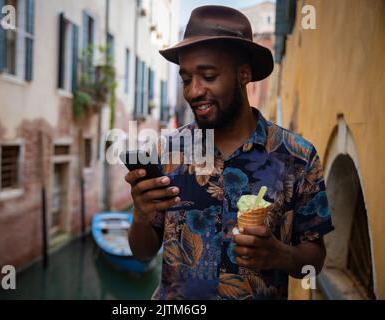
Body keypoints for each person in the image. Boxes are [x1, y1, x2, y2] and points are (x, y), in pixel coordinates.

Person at [125, 5, 334, 300]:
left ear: (243, 75)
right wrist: (140, 215)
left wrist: (278, 254)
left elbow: (315, 261)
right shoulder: (165, 152)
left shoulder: (298, 157)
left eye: (208, 76)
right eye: (186, 80)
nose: (193, 91)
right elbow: (142, 252)